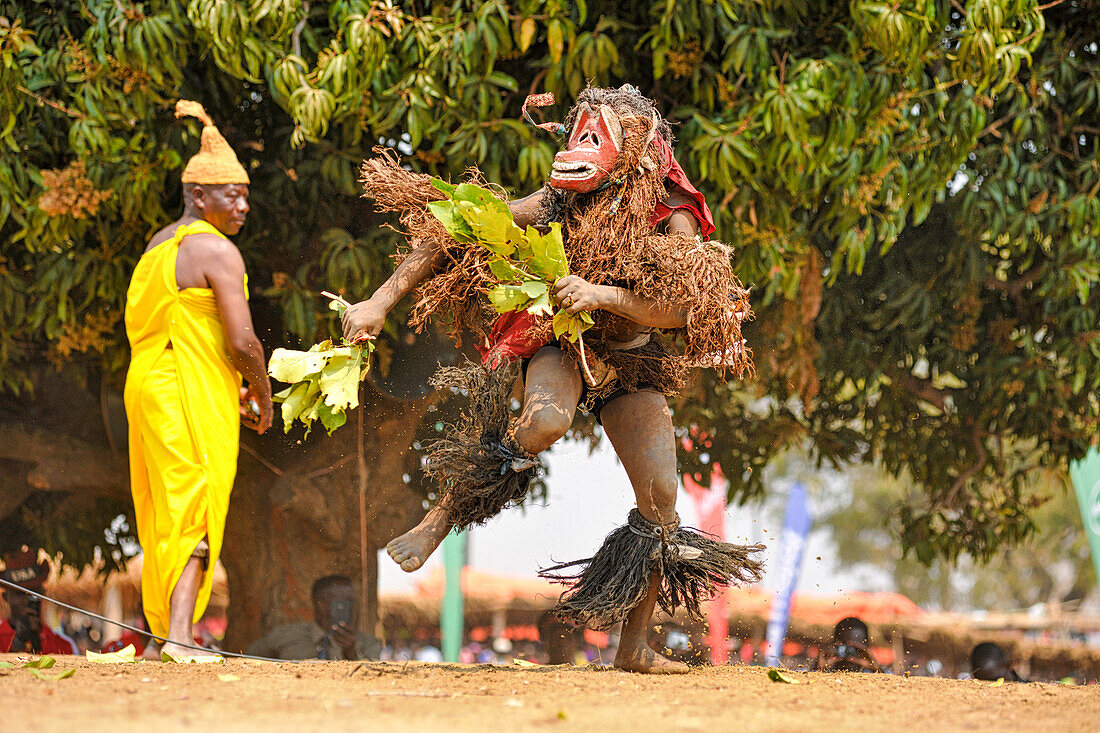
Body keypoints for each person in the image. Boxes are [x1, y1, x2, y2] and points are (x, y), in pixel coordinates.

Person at [344, 85, 763, 674]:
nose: (589, 143)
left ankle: (634, 647)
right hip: (564, 341)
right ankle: (441, 516)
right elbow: (451, 230)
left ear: (637, 148)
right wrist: (378, 302)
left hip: (633, 358)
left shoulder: (671, 211)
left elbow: (685, 307)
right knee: (544, 420)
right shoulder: (560, 200)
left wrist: (607, 295)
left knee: (662, 496)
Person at [124, 100, 273, 660]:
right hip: (180, 392)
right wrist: (261, 391)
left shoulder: (156, 247)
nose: (242, 206)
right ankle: (180, 638)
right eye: (231, 196)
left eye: (245, 197)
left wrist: (223, 385)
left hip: (149, 387)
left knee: (165, 507)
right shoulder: (217, 250)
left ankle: (168, 632)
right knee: (195, 505)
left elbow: (173, 334)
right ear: (197, 195)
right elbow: (241, 342)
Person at [246, 575, 378, 660]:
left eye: (352, 602)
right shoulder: (286, 635)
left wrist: (351, 654)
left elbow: (372, 680)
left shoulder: (367, 643)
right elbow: (246, 658)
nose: (351, 608)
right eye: (343, 603)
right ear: (321, 605)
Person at [0, 548, 77, 654]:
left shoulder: (64, 646)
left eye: (33, 593)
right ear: (5, 597)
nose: (26, 600)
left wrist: (35, 639)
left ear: (43, 594)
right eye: (18, 593)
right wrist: (18, 642)